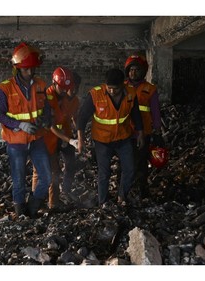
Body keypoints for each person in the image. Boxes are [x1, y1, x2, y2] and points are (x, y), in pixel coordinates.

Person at [0, 42, 52, 218]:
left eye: (32, 69)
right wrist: (20, 124)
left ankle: (33, 206)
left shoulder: (41, 84)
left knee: (47, 177)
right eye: (26, 69)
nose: (30, 72)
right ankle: (20, 212)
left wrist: (44, 119)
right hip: (16, 141)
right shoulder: (5, 88)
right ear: (18, 68)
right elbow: (0, 115)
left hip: (37, 139)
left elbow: (48, 110)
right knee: (18, 180)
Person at [76, 68, 144, 207]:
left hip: (123, 137)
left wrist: (140, 133)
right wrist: (80, 139)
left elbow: (136, 114)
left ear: (123, 85)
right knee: (104, 172)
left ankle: (122, 197)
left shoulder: (130, 93)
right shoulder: (95, 95)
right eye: (109, 88)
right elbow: (82, 118)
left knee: (130, 169)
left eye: (116, 88)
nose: (112, 91)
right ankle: (103, 202)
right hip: (102, 140)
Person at [32, 67, 80, 211]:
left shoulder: (64, 97)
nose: (65, 91)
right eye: (62, 88)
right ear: (54, 83)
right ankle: (36, 203)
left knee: (54, 173)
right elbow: (51, 125)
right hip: (40, 141)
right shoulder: (46, 97)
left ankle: (53, 204)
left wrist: (69, 135)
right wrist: (70, 140)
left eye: (67, 88)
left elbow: (64, 119)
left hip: (53, 142)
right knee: (39, 173)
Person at [124, 54, 163, 199]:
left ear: (143, 71)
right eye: (131, 69)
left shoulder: (150, 89)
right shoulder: (122, 86)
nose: (133, 72)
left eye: (137, 69)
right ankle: (125, 191)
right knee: (126, 163)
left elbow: (155, 111)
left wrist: (157, 131)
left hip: (143, 132)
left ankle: (142, 190)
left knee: (140, 163)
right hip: (125, 133)